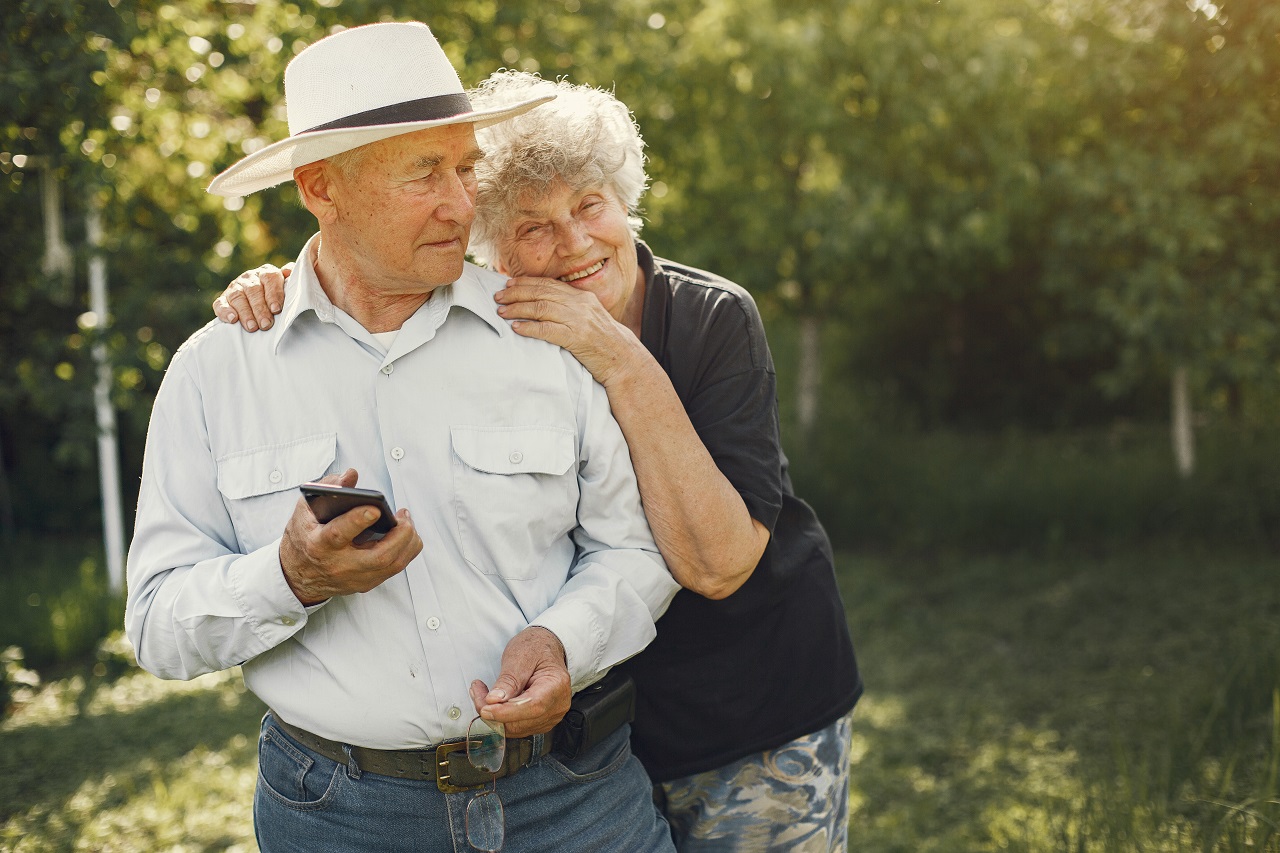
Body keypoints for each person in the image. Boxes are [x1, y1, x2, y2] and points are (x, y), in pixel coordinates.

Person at [216, 72, 863, 851]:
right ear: (488, 247)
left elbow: (721, 564)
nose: (575, 243)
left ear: (623, 200)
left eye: (589, 204)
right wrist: (292, 285)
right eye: (533, 227)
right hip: (591, 743)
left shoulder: (710, 318)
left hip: (752, 715)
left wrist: (619, 358)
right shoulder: (499, 330)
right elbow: (369, 284)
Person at [126, 23, 682, 853]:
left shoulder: (542, 331)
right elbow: (157, 623)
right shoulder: (216, 373)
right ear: (321, 187)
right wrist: (290, 577)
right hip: (338, 818)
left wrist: (564, 638)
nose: (463, 203)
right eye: (424, 171)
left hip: (574, 799)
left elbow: (637, 547)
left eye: (465, 166)